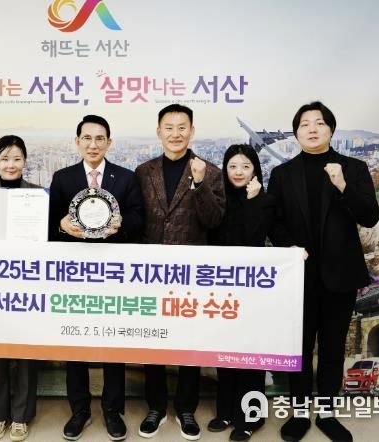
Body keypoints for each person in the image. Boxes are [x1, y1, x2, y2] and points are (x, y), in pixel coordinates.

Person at [267, 101, 379, 442]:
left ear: (331, 129)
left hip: (340, 275)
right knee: (299, 349)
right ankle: (300, 414)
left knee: (332, 348)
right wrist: (289, 246)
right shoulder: (282, 174)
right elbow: (273, 221)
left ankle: (328, 414)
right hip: (298, 276)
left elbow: (370, 216)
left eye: (319, 123)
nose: (312, 129)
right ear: (296, 132)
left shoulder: (354, 168)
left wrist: (344, 186)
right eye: (304, 124)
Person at [49, 114, 144, 441]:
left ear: (109, 142)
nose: (93, 144)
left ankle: (112, 410)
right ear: (77, 142)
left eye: (99, 138)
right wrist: (62, 225)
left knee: (113, 342)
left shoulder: (126, 178)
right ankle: (79, 410)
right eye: (87, 138)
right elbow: (49, 225)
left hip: (113, 271)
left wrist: (122, 225)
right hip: (75, 272)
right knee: (74, 341)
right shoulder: (62, 178)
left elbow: (139, 218)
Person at [135, 104, 225, 441]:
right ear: (158, 131)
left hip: (191, 273)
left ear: (192, 131)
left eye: (182, 127)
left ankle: (187, 408)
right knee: (153, 340)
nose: (175, 133)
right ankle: (155, 407)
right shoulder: (143, 171)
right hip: (150, 271)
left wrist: (199, 184)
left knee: (190, 341)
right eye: (169, 127)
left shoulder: (210, 172)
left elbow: (214, 220)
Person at [206, 144, 275, 441]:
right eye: (232, 166)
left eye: (246, 166)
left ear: (255, 170)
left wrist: (253, 201)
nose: (238, 172)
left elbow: (254, 238)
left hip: (252, 289)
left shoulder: (264, 200)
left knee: (250, 355)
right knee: (224, 353)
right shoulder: (218, 200)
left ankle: (250, 417)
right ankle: (225, 411)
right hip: (221, 288)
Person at [0, 135, 41, 442]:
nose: (11, 164)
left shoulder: (37, 195)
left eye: (17, 158)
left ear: (25, 161)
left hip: (27, 282)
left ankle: (21, 416)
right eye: (5, 159)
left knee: (26, 351)